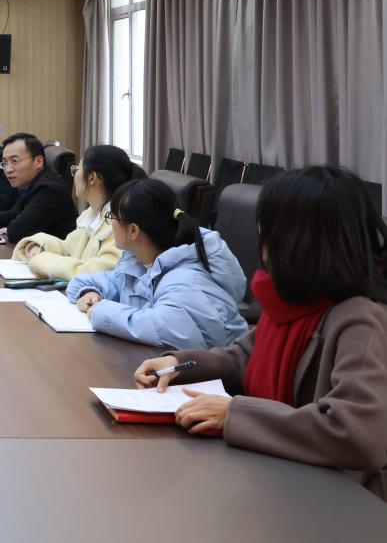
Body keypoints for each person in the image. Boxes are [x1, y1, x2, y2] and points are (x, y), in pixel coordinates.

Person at [134, 167, 387, 500]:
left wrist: (235, 414)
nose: (261, 242)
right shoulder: (292, 299)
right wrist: (178, 365)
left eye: (268, 230)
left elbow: (358, 433)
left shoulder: (361, 319)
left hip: (339, 499)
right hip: (277, 477)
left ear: (300, 241)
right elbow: (243, 358)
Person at [65, 177, 247, 349]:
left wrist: (102, 311)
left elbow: (166, 328)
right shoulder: (139, 262)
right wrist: (89, 292)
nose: (111, 223)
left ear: (133, 230)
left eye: (112, 217)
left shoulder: (185, 280)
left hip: (212, 370)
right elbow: (88, 282)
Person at [11, 144, 135, 280]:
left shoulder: (118, 223)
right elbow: (68, 247)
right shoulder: (91, 214)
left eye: (77, 169)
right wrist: (37, 246)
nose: (75, 175)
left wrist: (40, 259)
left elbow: (96, 274)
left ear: (92, 178)